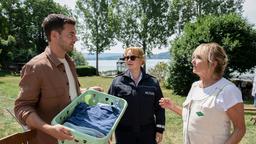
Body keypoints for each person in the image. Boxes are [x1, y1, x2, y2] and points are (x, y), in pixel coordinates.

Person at [14, 14, 102, 144]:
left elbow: (69, 94)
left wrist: (86, 91)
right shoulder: (35, 67)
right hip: (48, 140)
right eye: (71, 34)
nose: (76, 39)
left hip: (74, 137)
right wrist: (49, 128)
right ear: (55, 35)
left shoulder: (69, 62)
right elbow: (22, 108)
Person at [159, 42, 246, 144]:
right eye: (193, 57)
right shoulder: (195, 86)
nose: (193, 61)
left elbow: (240, 129)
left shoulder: (228, 90)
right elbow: (194, 116)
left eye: (198, 57)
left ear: (213, 64)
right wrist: (172, 106)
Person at [108, 47, 165, 144]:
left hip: (147, 133)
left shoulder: (153, 82)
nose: (129, 60)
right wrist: (107, 130)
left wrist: (159, 129)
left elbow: (159, 108)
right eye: (126, 58)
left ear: (141, 60)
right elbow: (109, 107)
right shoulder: (117, 82)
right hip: (124, 133)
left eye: (133, 57)